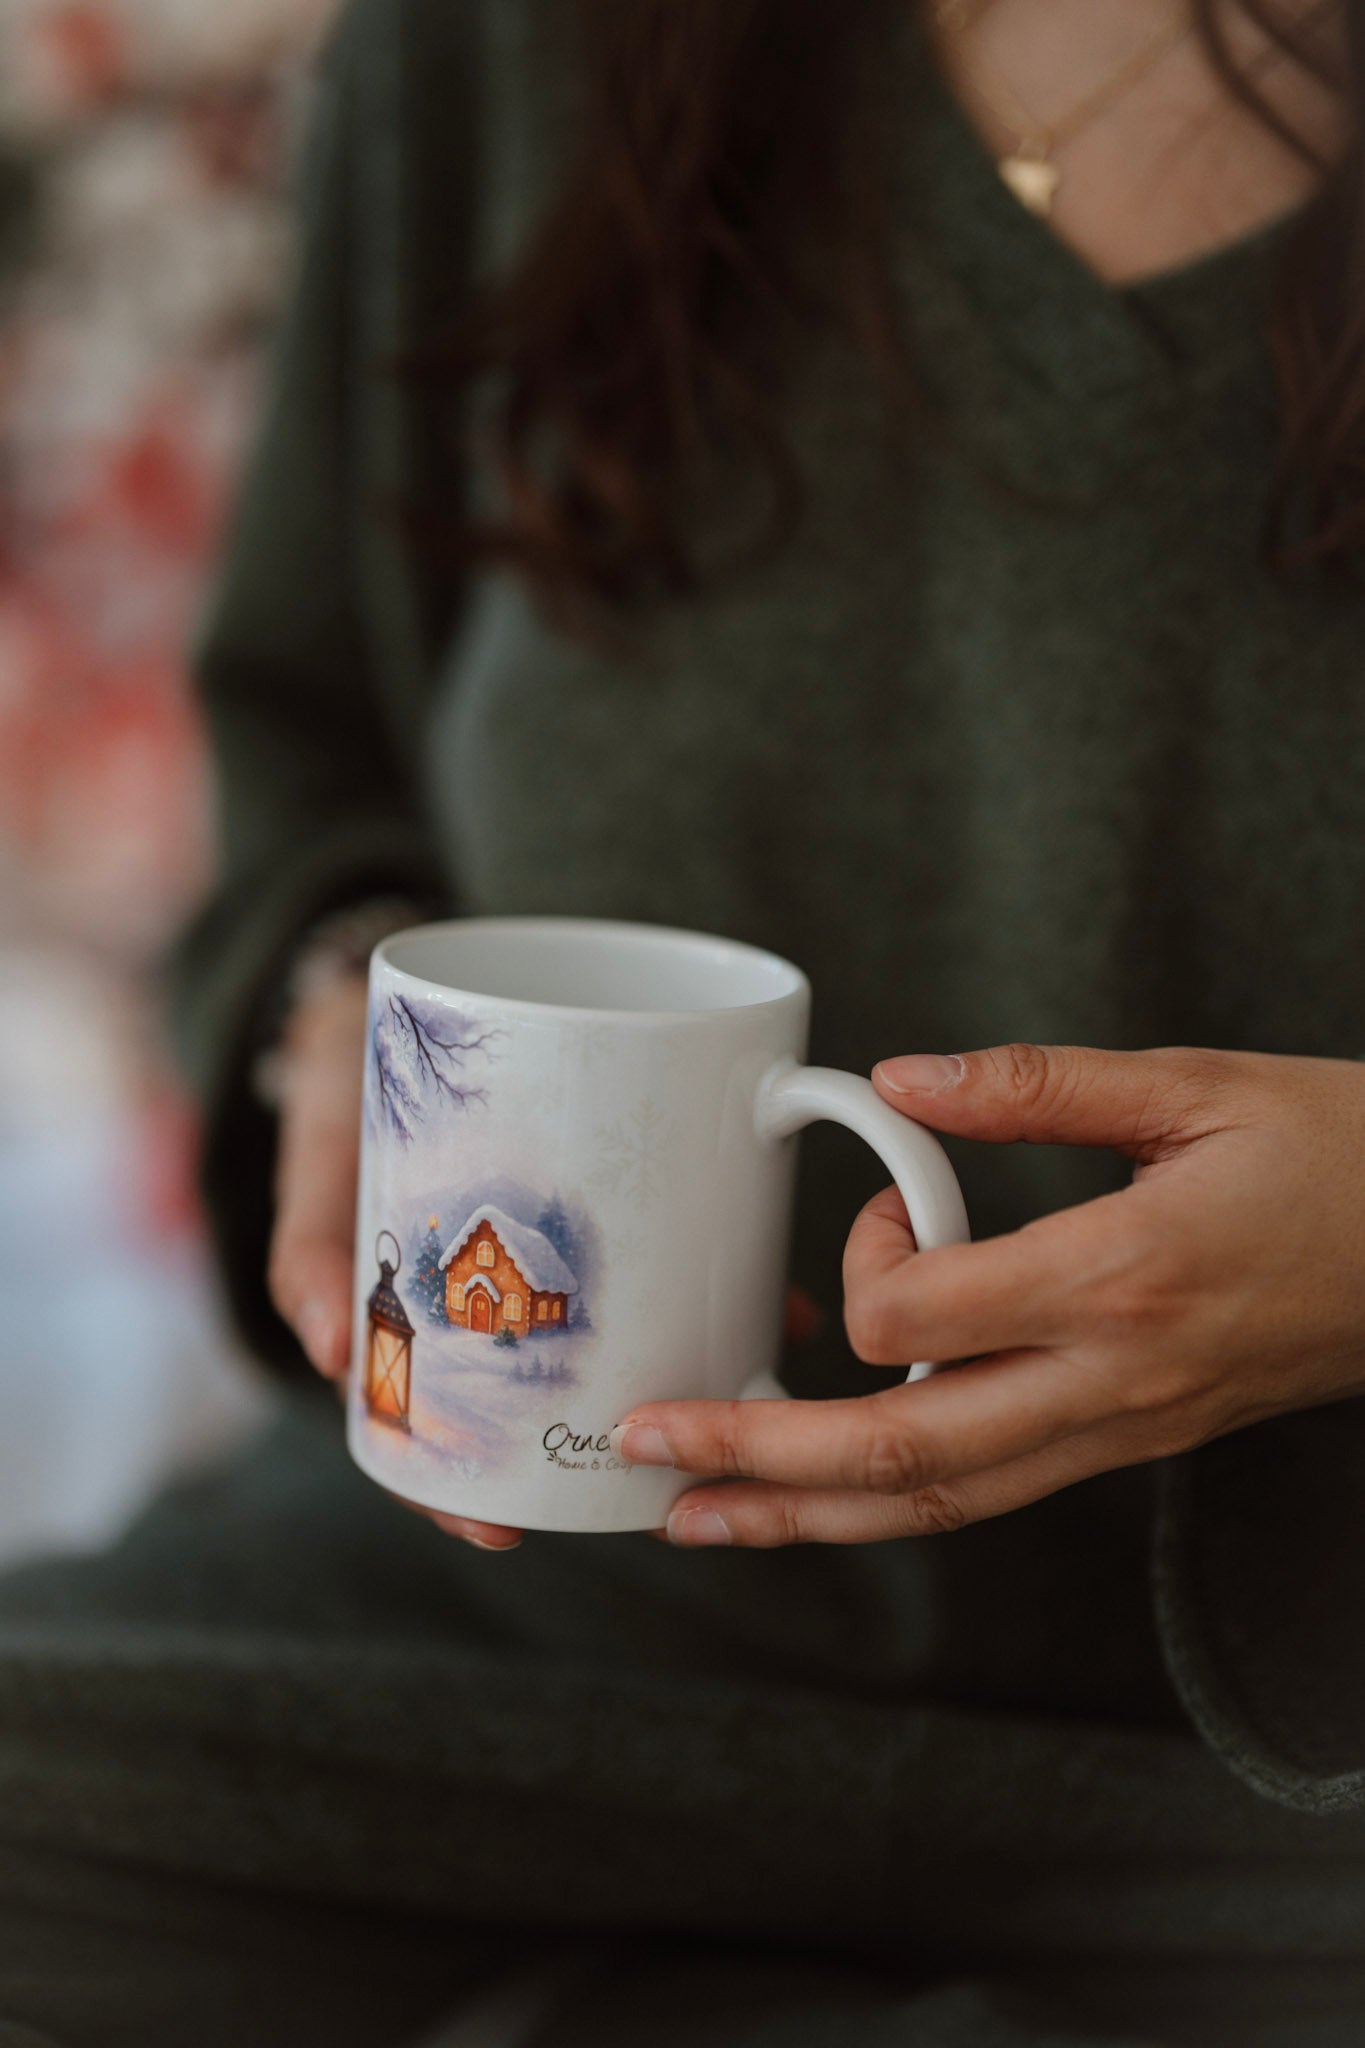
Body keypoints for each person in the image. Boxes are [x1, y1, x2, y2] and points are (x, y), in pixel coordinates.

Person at [4, 0, 1365, 2041]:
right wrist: (328, 1013)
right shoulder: (509, 47)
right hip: (511, 1621)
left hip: (1285, 1753)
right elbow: (313, 753)